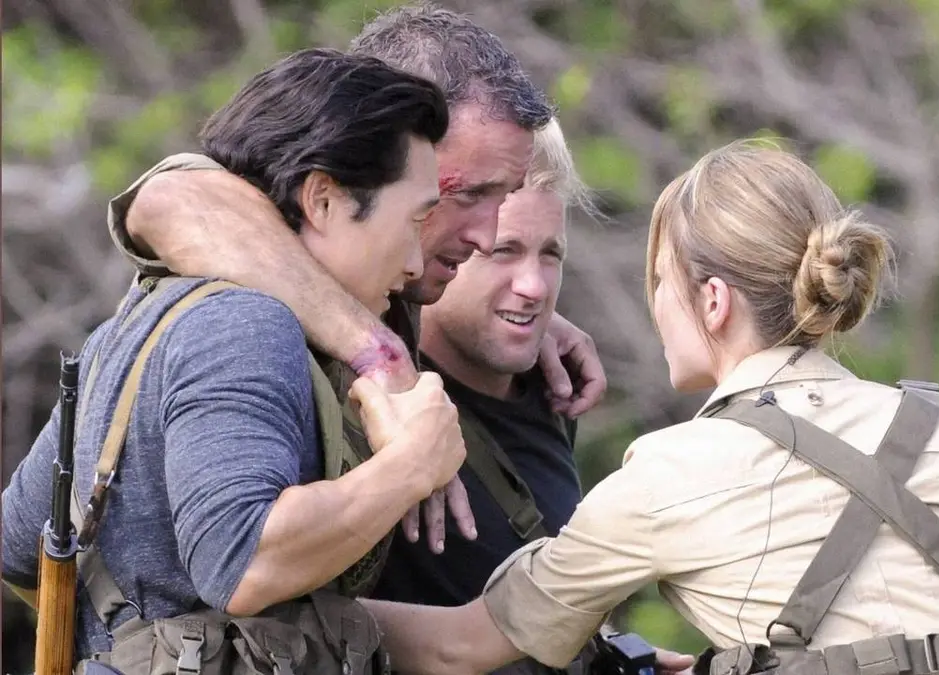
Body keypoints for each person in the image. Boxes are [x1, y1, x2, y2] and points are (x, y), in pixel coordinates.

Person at [354, 139, 939, 675]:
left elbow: (460, 648)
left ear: (712, 299)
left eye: (659, 281)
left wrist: (307, 612)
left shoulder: (666, 474)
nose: (654, 304)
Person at [1, 48, 465, 671]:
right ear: (323, 200)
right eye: (414, 221)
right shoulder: (247, 323)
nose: (414, 262)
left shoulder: (136, 323)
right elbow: (242, 560)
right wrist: (412, 466)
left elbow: (18, 541)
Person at [105, 2, 609, 555]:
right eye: (468, 193)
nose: (487, 237)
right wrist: (379, 357)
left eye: (503, 197)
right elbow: (171, 200)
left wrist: (526, 316)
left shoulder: (401, 287)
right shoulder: (242, 317)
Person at [378, 117, 591, 609]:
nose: (534, 286)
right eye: (503, 251)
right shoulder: (369, 394)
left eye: (550, 254)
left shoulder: (553, 384)